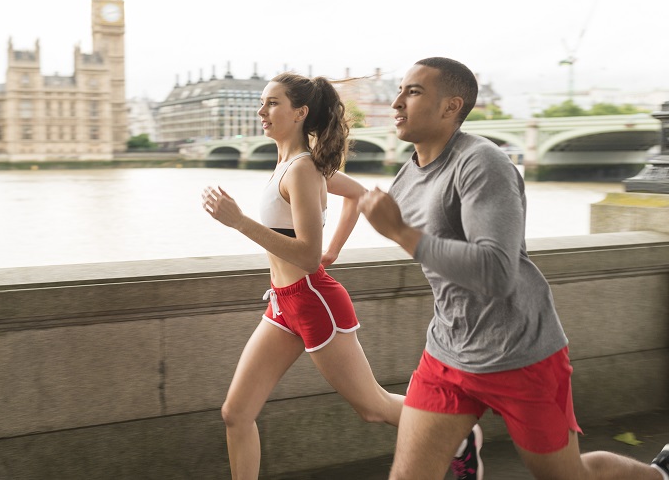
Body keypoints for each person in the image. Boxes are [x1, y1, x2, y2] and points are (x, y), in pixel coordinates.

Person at [357, 56, 669, 480]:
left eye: (412, 92)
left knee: (568, 475)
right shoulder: (405, 179)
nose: (397, 103)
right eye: (398, 91)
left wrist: (400, 232)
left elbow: (497, 271)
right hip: (447, 353)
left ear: (451, 106)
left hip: (520, 353)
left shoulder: (483, 163)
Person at [202, 72, 481, 480]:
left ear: (300, 112)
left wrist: (240, 222)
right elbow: (356, 196)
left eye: (272, 103)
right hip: (284, 305)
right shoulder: (292, 164)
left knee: (374, 407)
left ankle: (458, 434)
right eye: (262, 103)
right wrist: (335, 248)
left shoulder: (301, 170)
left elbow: (309, 257)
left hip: (314, 303)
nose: (261, 111)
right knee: (236, 413)